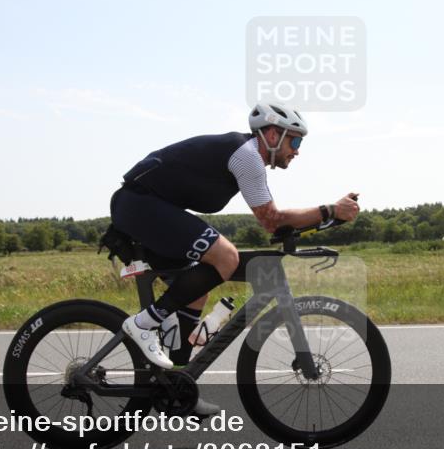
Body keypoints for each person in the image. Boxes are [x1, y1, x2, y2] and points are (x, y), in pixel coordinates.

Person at [109, 103, 360, 415]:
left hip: (146, 207)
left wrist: (327, 219)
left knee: (197, 289)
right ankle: (143, 324)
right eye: (294, 141)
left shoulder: (246, 156)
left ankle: (177, 387)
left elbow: (275, 222)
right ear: (272, 134)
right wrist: (330, 210)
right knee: (226, 257)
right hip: (139, 205)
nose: (297, 150)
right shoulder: (247, 156)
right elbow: (271, 219)